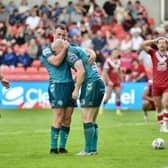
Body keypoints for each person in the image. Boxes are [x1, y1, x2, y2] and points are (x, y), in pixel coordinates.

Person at [41, 24, 96, 154]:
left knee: (68, 118)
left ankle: (62, 147)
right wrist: (65, 49)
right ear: (53, 35)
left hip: (69, 85)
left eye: (63, 35)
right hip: (57, 86)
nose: (61, 37)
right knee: (59, 117)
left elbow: (82, 50)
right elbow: (55, 62)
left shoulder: (68, 48)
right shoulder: (47, 50)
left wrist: (92, 52)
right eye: (59, 34)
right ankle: (53, 148)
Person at [52, 39, 105, 156]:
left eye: (55, 52)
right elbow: (85, 63)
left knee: (86, 118)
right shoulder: (77, 49)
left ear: (61, 48)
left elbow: (81, 71)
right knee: (92, 120)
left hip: (91, 84)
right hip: (99, 82)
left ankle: (86, 150)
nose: (55, 55)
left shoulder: (69, 53)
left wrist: (76, 89)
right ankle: (93, 149)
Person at [141, 37, 168, 132]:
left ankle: (165, 123)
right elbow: (142, 45)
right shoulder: (153, 53)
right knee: (158, 106)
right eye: (160, 43)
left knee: (166, 103)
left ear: (167, 45)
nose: (162, 44)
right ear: (157, 45)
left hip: (166, 84)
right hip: (156, 84)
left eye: (164, 42)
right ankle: (162, 126)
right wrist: (153, 40)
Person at [102, 48, 123, 116]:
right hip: (110, 81)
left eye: (117, 53)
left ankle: (118, 110)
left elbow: (119, 71)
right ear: (112, 53)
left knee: (118, 94)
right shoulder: (108, 61)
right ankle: (102, 107)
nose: (116, 54)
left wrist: (121, 81)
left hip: (116, 81)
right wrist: (108, 81)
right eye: (114, 53)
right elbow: (105, 72)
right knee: (108, 97)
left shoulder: (119, 61)